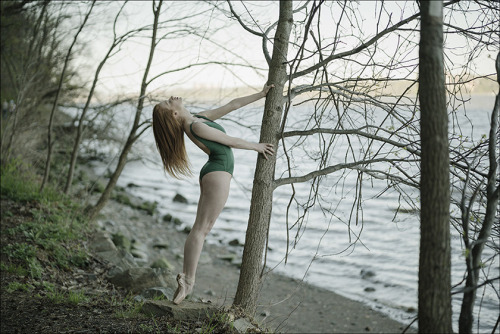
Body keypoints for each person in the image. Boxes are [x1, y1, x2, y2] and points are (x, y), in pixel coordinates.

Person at [152, 84, 275, 305]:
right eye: (168, 102)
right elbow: (230, 142)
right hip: (217, 174)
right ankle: (187, 280)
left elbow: (232, 105)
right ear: (174, 113)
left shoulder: (198, 118)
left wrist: (261, 94)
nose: (171, 98)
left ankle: (187, 279)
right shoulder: (196, 126)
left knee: (202, 228)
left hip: (216, 172)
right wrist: (257, 147)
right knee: (201, 229)